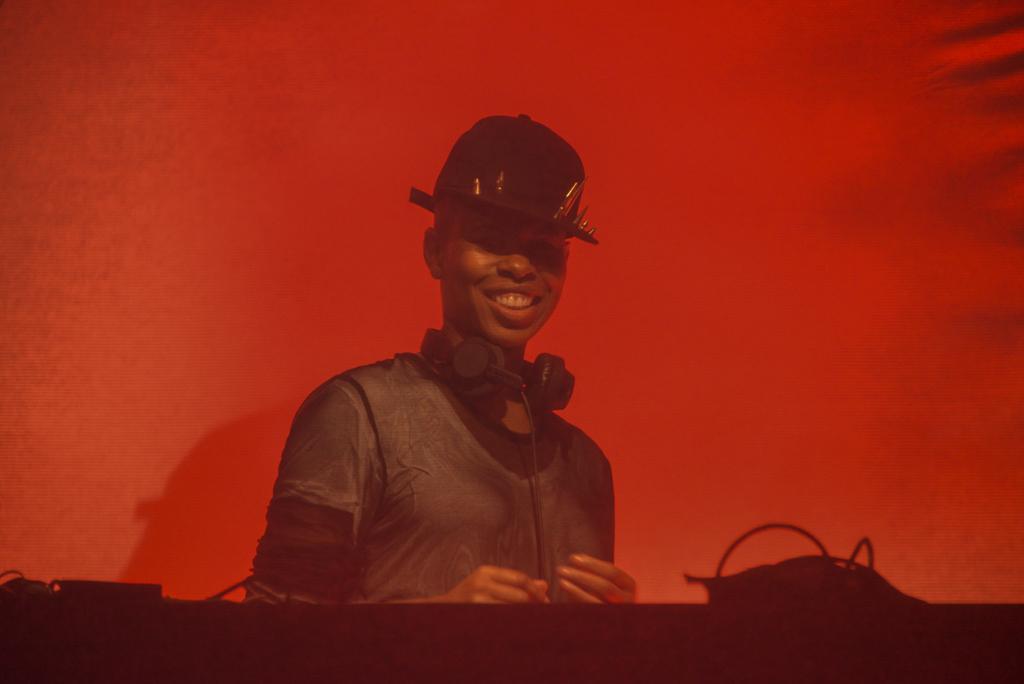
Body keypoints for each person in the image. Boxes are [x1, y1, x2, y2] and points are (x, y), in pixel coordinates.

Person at [245, 114, 637, 604]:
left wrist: (618, 633)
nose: (520, 266)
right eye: (491, 240)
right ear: (435, 253)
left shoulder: (586, 465)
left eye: (542, 248)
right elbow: (270, 630)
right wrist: (437, 619)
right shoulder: (356, 413)